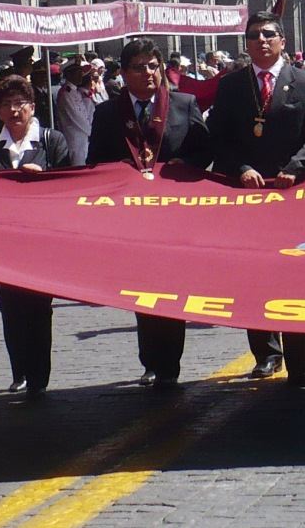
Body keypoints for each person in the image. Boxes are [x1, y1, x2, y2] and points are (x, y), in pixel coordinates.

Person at [209, 11, 305, 386]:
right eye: (253, 36)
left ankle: (298, 356)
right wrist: (241, 167)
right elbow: (219, 137)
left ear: (282, 41)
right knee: (255, 276)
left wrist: (296, 167)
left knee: (293, 278)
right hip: (249, 194)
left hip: (292, 193)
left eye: (268, 35)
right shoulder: (231, 86)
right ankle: (264, 352)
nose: (261, 41)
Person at [86, 39, 211, 389]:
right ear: (124, 74)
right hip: (133, 216)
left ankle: (170, 363)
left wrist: (181, 168)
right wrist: (124, 171)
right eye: (139, 67)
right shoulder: (109, 113)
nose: (148, 73)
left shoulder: (184, 105)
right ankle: (150, 361)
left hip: (174, 214)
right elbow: (95, 161)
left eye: (153, 66)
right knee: (143, 289)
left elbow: (204, 154)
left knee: (171, 288)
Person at [0, 75, 74, 401]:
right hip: (4, 239)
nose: (14, 110)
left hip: (41, 239)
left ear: (32, 106)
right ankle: (19, 372)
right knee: (10, 308)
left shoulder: (51, 140)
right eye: (6, 104)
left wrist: (44, 179)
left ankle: (39, 375)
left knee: (39, 309)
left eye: (20, 103)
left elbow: (68, 183)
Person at [55, 59, 106, 161]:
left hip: (83, 136)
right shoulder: (66, 93)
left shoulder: (75, 91)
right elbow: (77, 117)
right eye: (78, 73)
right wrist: (92, 132)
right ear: (69, 74)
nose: (81, 75)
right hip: (75, 137)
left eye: (81, 72)